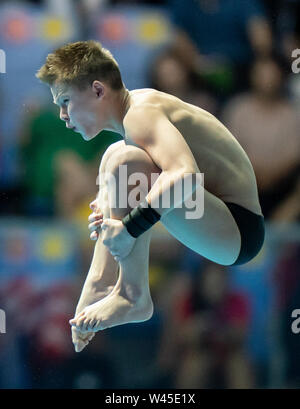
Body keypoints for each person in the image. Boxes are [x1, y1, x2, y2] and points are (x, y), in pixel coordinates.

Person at [36, 40, 265, 352]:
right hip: (219, 216)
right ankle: (101, 281)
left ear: (98, 91)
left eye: (65, 101)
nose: (62, 115)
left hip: (237, 228)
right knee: (115, 156)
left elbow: (185, 175)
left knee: (123, 161)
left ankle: (133, 294)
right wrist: (114, 201)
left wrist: (131, 227)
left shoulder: (140, 116)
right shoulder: (137, 111)